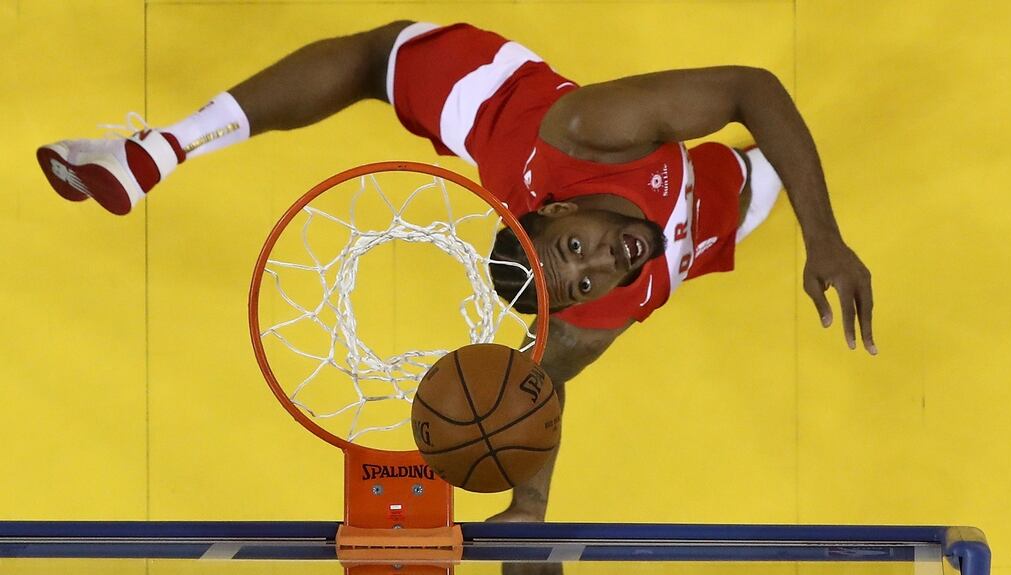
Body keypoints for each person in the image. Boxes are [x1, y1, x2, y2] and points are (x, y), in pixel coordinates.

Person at [36, 21, 876, 521]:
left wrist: (826, 239)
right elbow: (537, 383)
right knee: (760, 177)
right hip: (736, 194)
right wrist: (531, 514)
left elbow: (752, 84)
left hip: (506, 118)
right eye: (580, 278)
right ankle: (162, 147)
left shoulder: (591, 129)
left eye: (572, 248)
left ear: (552, 212)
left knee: (378, 58)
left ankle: (167, 146)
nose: (596, 265)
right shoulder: (601, 309)